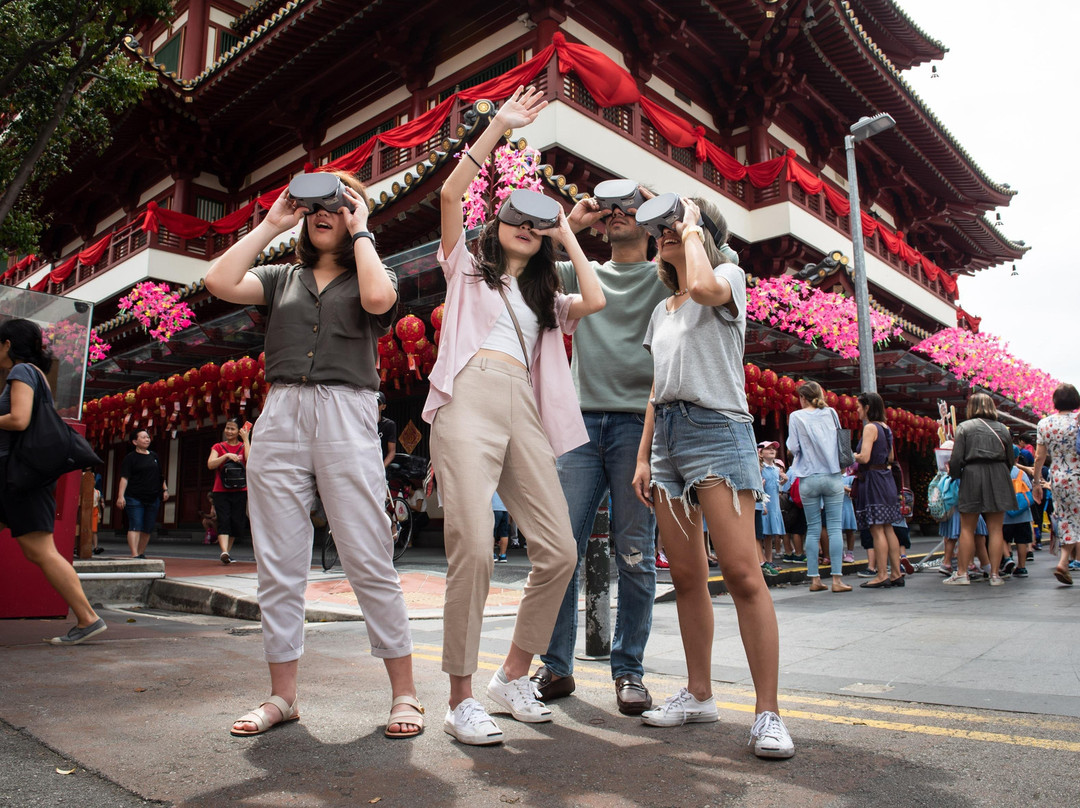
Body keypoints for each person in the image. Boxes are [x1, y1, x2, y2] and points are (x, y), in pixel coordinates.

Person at [204, 168, 422, 739]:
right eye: (314, 205)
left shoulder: (372, 270)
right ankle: (283, 696)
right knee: (278, 561)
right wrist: (271, 223)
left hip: (347, 411)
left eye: (339, 203)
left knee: (367, 553)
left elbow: (379, 299)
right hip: (281, 413)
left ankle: (405, 695)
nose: (325, 211)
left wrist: (363, 229)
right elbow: (219, 280)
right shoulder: (282, 276)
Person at [424, 86, 605, 746]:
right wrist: (497, 126)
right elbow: (449, 197)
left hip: (523, 413)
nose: (525, 231)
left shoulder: (546, 297)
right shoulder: (466, 269)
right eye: (515, 221)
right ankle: (460, 697)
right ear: (494, 227)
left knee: (559, 551)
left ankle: (511, 676)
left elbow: (598, 297)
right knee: (472, 548)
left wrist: (567, 235)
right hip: (467, 402)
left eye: (536, 225)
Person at [631, 194, 794, 759]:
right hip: (670, 440)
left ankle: (768, 712)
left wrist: (695, 228)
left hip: (718, 431)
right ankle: (699, 694)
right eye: (666, 229)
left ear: (702, 231)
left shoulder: (727, 274)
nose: (667, 233)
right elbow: (656, 388)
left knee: (744, 573)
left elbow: (703, 287)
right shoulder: (662, 310)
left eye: (676, 225)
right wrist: (643, 456)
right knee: (687, 575)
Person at [530, 177, 667, 717]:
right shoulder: (582, 274)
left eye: (627, 208)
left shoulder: (667, 276)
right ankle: (557, 667)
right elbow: (515, 259)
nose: (616, 213)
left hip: (640, 428)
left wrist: (657, 205)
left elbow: (719, 253)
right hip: (580, 425)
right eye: (610, 209)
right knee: (560, 549)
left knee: (635, 553)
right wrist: (576, 219)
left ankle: (628, 670)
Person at [0, 318, 106, 644]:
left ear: (7, 345)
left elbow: (19, 419)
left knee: (42, 551)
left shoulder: (21, 372)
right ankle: (88, 618)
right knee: (41, 551)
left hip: (16, 480)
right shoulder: (37, 376)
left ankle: (88, 618)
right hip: (17, 478)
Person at [943, 393, 1014, 586]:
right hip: (999, 473)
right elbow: (1010, 460)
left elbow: (957, 459)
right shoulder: (1003, 429)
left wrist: (955, 475)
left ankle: (962, 573)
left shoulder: (964, 427)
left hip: (973, 474)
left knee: (967, 527)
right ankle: (995, 575)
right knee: (996, 529)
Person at [786, 381, 850, 593]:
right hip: (832, 476)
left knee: (812, 530)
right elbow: (840, 440)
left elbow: (793, 447)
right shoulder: (831, 413)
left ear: (802, 398)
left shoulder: (796, 416)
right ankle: (837, 580)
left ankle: (815, 579)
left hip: (808, 477)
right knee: (834, 528)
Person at [852, 392, 903, 589]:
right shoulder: (886, 428)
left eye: (859, 406)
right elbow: (889, 457)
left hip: (873, 480)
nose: (857, 410)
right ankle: (896, 573)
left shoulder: (870, 428)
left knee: (876, 528)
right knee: (888, 527)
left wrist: (850, 455)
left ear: (867, 407)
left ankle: (882, 574)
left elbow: (864, 457)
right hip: (886, 479)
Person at [1033, 383, 1080, 586]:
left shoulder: (1045, 424)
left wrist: (1037, 482)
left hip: (1058, 478)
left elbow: (1039, 457)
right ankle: (1068, 561)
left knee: (1066, 518)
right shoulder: (1078, 421)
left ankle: (1063, 561)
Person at [116, 429, 167, 558]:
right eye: (143, 437)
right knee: (136, 524)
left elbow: (160, 475)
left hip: (153, 496)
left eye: (148, 437)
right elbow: (124, 478)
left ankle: (141, 552)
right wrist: (120, 496)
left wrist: (165, 489)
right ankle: (134, 554)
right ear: (135, 441)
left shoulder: (154, 456)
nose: (147, 439)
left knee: (148, 527)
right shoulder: (130, 458)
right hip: (134, 496)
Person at [206, 417, 250, 564]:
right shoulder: (218, 447)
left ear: (239, 431)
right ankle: (224, 551)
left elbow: (249, 461)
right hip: (221, 490)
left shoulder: (244, 446)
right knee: (224, 520)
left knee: (236, 522)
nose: (229, 431)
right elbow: (211, 465)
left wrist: (246, 439)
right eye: (227, 428)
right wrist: (225, 456)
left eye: (232, 428)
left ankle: (227, 553)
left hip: (241, 489)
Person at [377, 391, 397, 469]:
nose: (375, 406)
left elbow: (391, 452)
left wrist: (381, 468)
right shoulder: (363, 423)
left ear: (383, 407)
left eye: (378, 404)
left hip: (380, 465)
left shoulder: (388, 425)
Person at [492, 491, 510, 563]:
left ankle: (492, 554)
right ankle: (503, 555)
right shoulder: (505, 483)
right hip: (505, 509)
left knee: (491, 532)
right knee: (504, 533)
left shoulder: (492, 481)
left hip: (494, 508)